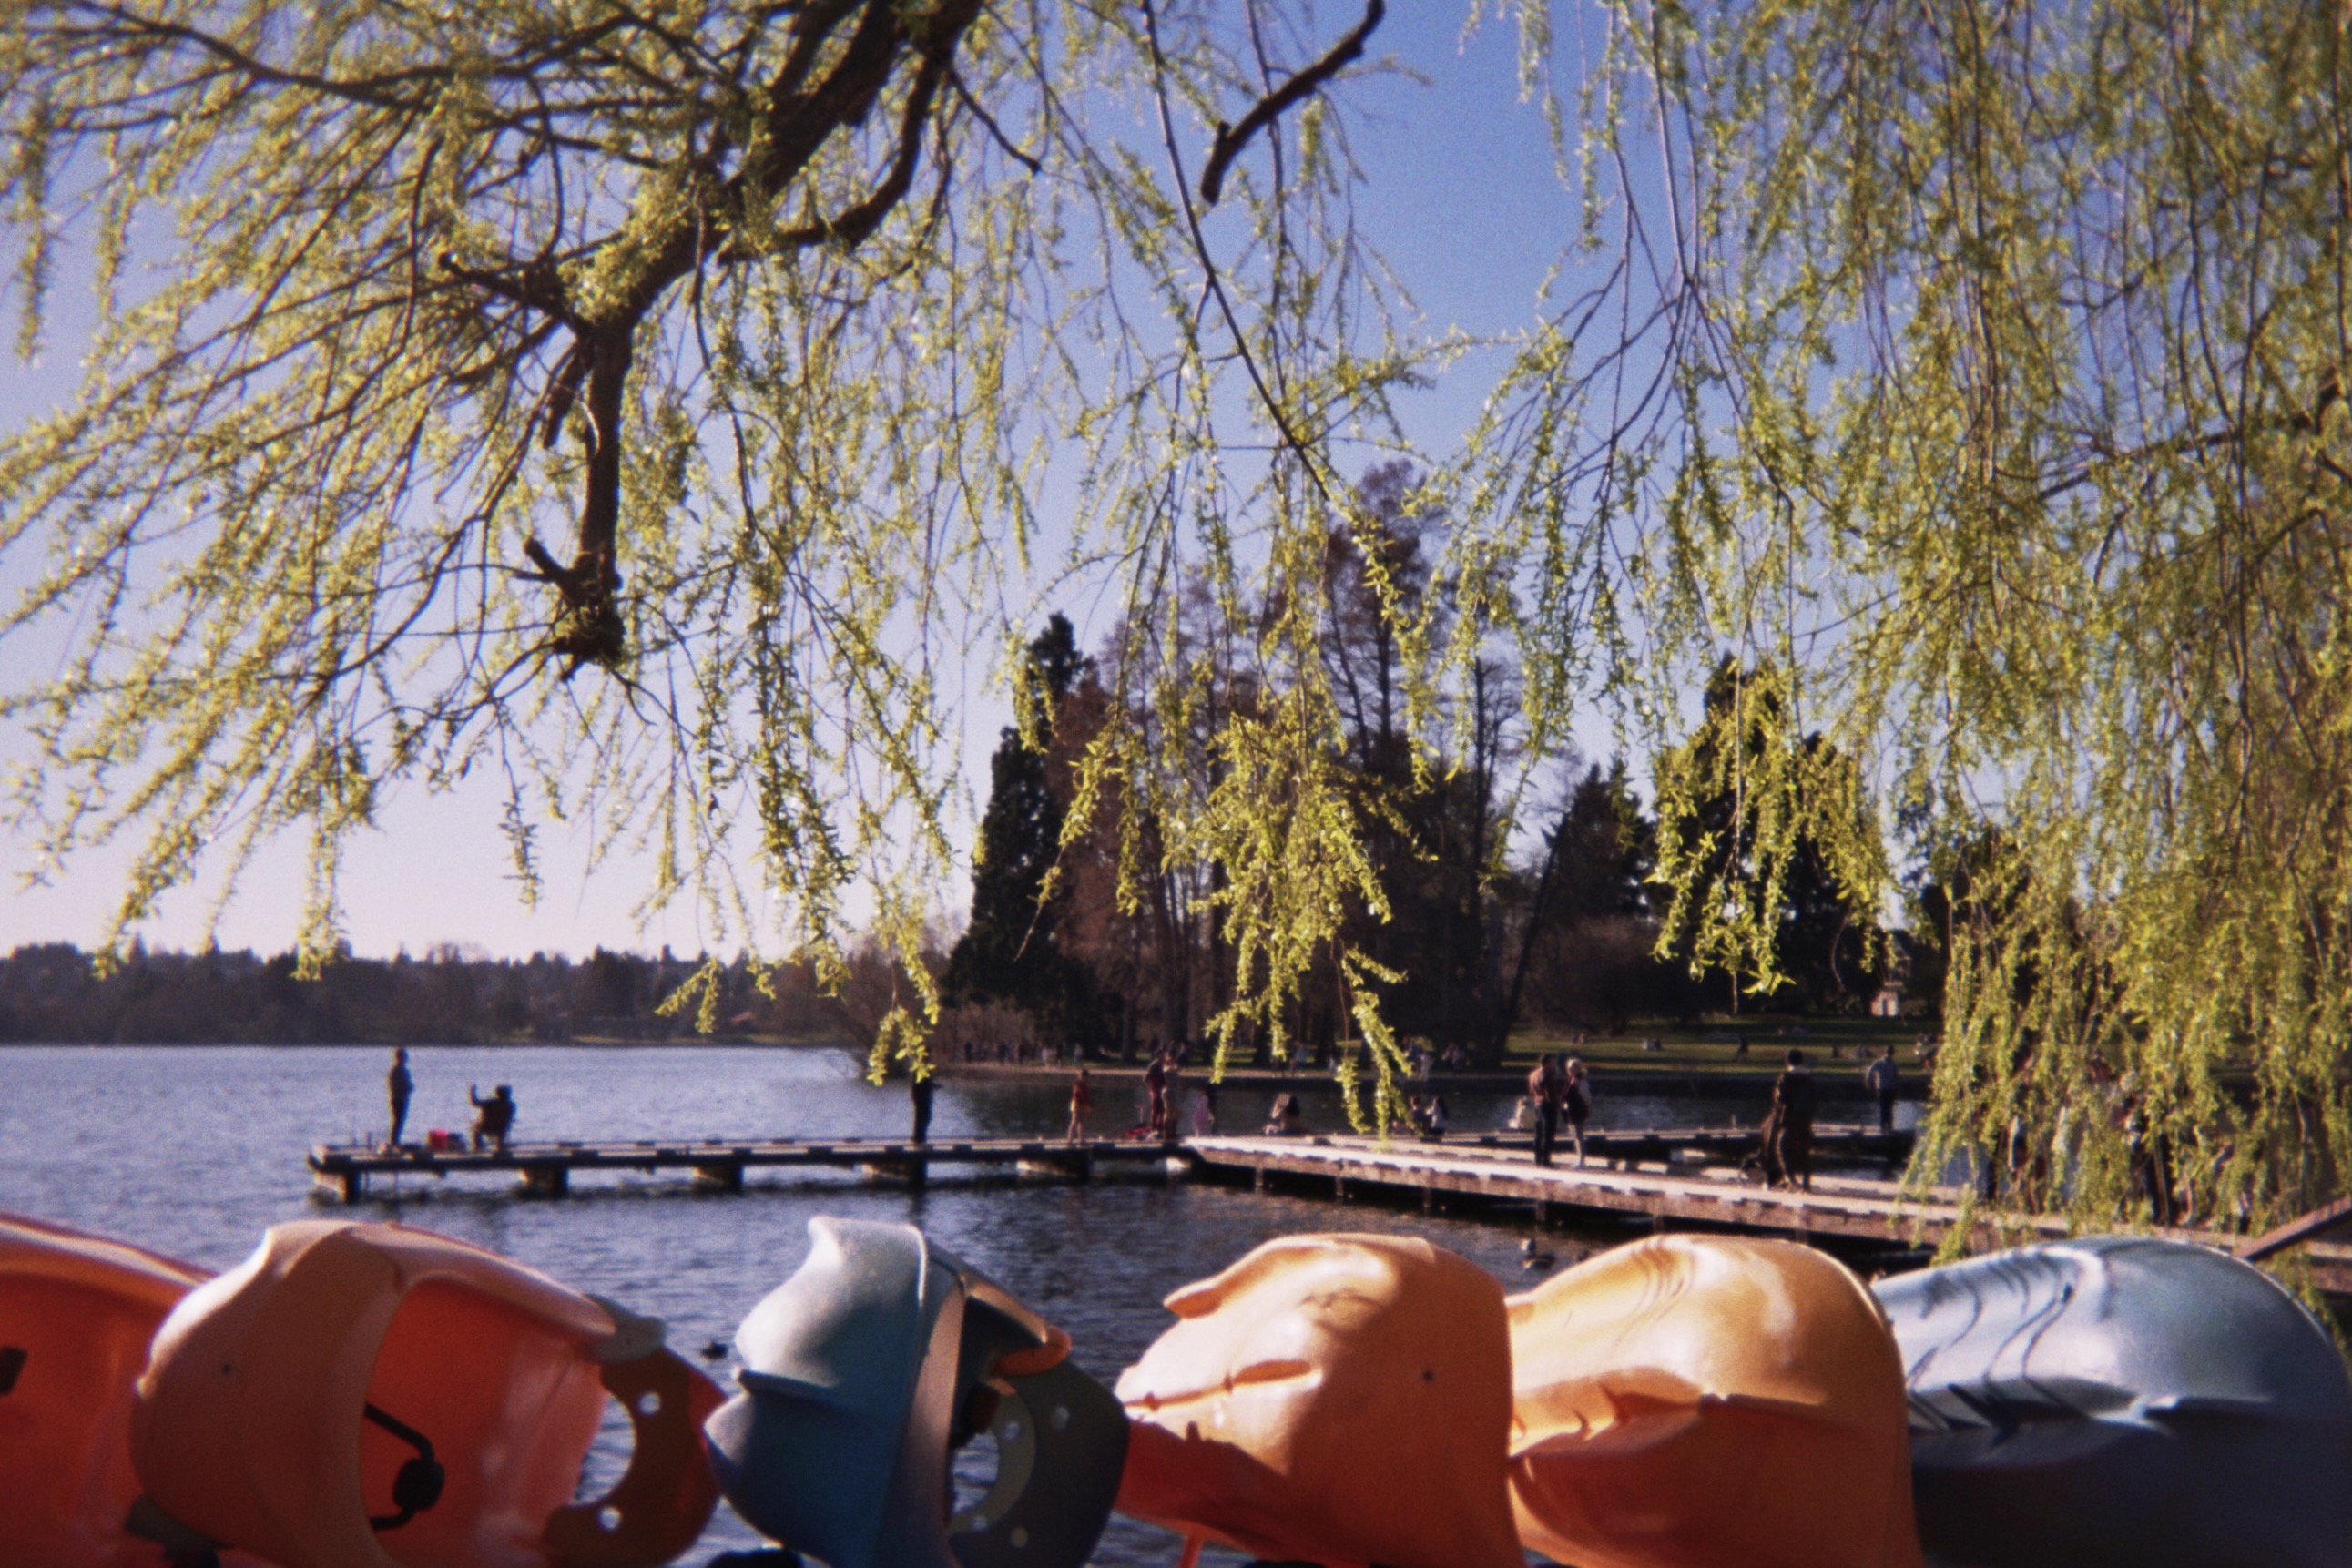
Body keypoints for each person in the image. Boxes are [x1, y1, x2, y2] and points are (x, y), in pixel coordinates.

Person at [1769, 1049, 1818, 1191]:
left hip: (1790, 1118)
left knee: (1782, 1148)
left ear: (1788, 1061)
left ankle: (1792, 1180)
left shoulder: (1787, 1076)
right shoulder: (1809, 1077)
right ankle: (1806, 1182)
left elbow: (1780, 1098)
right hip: (1806, 1118)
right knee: (1804, 1150)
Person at [1527, 1054, 1560, 1167]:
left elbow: (1531, 1091)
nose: (1554, 1065)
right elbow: (1550, 1093)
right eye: (1552, 1063)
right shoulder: (1547, 1075)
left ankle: (1537, 1158)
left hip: (1537, 1104)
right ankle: (1546, 1159)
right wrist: (1556, 1105)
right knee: (1549, 1133)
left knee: (1538, 1132)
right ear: (1546, 1063)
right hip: (1547, 1105)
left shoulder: (1533, 1075)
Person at [1563, 1057, 1593, 1167]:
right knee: (1575, 1136)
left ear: (1577, 1068)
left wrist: (1588, 1109)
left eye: (1571, 1068)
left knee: (1579, 1136)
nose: (1569, 1070)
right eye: (1568, 1068)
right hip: (1571, 1111)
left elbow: (1586, 1097)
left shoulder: (1581, 1081)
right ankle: (1579, 1158)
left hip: (1578, 1111)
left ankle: (1582, 1160)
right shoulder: (1572, 1080)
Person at [468, 1083, 515, 1153]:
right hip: (500, 1129)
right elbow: (510, 1118)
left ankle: (477, 1147)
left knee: (474, 1129)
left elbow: (474, 1102)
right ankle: (499, 1145)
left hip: (485, 1127)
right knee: (502, 1129)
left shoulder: (489, 1103)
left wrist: (471, 1091)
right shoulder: (511, 1105)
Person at [1864, 1044, 1900, 1134]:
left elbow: (1870, 1071)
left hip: (1882, 1088)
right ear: (1893, 1053)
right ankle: (1890, 1127)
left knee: (1883, 1108)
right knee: (1890, 1108)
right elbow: (1897, 1077)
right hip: (1890, 1088)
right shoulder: (1893, 1064)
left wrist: (1869, 1082)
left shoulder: (1879, 1062)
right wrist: (1897, 1087)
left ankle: (1883, 1126)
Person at [386, 1046, 413, 1148]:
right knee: (398, 1120)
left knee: (398, 1121)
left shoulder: (396, 1070)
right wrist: (409, 1087)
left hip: (398, 1098)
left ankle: (395, 1141)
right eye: (404, 1056)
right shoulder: (399, 1070)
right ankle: (394, 1142)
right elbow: (400, 1085)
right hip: (399, 1099)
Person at [1066, 1067, 1094, 1144]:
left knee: (1082, 1122)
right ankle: (1070, 1139)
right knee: (1074, 1121)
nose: (1088, 1079)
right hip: (1077, 1104)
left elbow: (1086, 1096)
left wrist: (1088, 1103)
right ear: (1082, 1076)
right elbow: (1078, 1095)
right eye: (1086, 1077)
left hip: (1083, 1104)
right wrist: (1087, 1103)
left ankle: (1081, 1139)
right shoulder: (1078, 1084)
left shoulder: (1084, 1085)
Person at [909, 1069, 935, 1144]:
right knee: (924, 1117)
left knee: (921, 1117)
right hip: (922, 1097)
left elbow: (918, 1084)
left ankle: (919, 1137)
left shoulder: (918, 1069)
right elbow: (922, 1084)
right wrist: (931, 1086)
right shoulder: (921, 1070)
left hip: (921, 1096)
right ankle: (919, 1138)